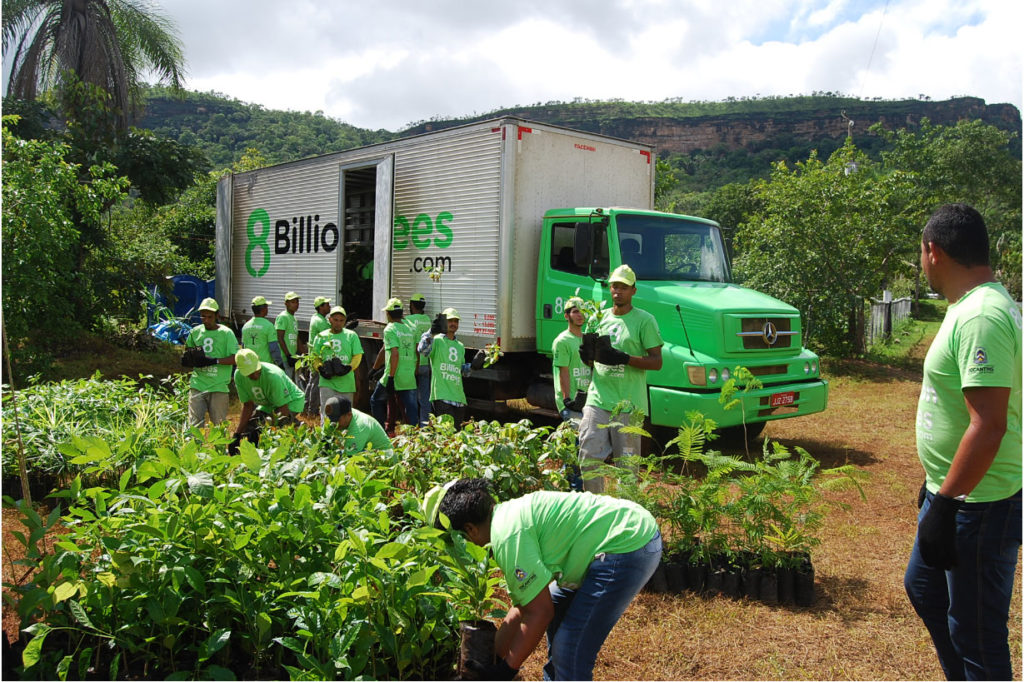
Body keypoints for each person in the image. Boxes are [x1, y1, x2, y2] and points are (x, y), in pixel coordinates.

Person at [905, 203, 1022, 681]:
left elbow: (989, 424)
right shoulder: (968, 308)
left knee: (977, 633)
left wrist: (948, 503)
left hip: (980, 503)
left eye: (920, 252)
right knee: (926, 590)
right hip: (955, 491)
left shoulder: (983, 317)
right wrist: (938, 485)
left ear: (933, 251)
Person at [429, 478, 661, 680]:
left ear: (470, 529)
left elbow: (539, 612)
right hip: (626, 530)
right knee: (556, 609)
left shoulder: (508, 537)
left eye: (459, 541)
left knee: (569, 649)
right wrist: (493, 659)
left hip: (627, 545)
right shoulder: (506, 517)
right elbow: (523, 606)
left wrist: (506, 670)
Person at [578, 264, 663, 493]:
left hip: (629, 405)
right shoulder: (597, 319)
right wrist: (587, 356)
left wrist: (625, 358)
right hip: (598, 400)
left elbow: (657, 362)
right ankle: (594, 510)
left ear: (633, 290)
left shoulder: (645, 321)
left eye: (624, 287)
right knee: (588, 457)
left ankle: (626, 516)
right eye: (615, 286)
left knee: (627, 468)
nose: (618, 291)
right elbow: (591, 363)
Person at [416, 308, 486, 426]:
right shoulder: (436, 340)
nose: (453, 324)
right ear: (444, 322)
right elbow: (422, 350)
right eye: (450, 321)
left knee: (456, 436)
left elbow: (462, 371)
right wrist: (431, 333)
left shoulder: (460, 346)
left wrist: (474, 366)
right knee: (446, 435)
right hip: (442, 396)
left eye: (456, 321)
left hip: (459, 398)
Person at [181, 298, 238, 428]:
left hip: (218, 386)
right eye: (203, 316)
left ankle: (220, 449)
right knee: (194, 426)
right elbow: (188, 351)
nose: (206, 320)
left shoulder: (226, 333)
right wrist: (191, 359)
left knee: (219, 427)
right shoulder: (195, 332)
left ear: (217, 316)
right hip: (198, 384)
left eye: (209, 317)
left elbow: (236, 358)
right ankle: (194, 448)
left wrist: (214, 361)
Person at [231, 348, 306, 440]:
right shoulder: (238, 376)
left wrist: (263, 429)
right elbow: (248, 406)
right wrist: (237, 434)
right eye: (249, 373)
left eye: (255, 370)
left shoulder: (273, 376)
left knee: (275, 428)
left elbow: (283, 409)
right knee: (249, 429)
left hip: (291, 401)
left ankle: (297, 426)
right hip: (269, 403)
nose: (254, 376)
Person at [370, 298, 419, 428]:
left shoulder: (390, 329)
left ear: (388, 314)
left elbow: (394, 354)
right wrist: (415, 371)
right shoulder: (411, 328)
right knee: (411, 410)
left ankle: (381, 432)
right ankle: (416, 439)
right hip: (409, 377)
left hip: (393, 375)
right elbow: (416, 352)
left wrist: (391, 378)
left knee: (376, 400)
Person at [312, 305, 363, 420]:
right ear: (329, 319)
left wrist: (349, 368)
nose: (338, 323)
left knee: (345, 415)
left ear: (345, 321)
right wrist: (320, 368)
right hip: (327, 382)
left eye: (341, 320)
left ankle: (344, 437)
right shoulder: (321, 336)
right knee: (327, 413)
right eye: (335, 320)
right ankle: (326, 436)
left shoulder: (352, 336)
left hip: (346, 383)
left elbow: (357, 355)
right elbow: (314, 357)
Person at [552, 296, 591, 422]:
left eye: (582, 311)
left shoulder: (587, 339)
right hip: (571, 404)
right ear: (566, 316)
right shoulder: (562, 341)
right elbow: (563, 372)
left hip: (586, 402)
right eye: (575, 311)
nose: (580, 315)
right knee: (577, 440)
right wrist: (567, 399)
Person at [323, 396, 392, 455]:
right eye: (331, 420)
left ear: (349, 415)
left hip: (384, 456)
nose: (333, 424)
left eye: (337, 420)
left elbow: (349, 458)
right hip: (365, 450)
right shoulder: (335, 419)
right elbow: (323, 442)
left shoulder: (360, 426)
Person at [406, 293, 433, 425]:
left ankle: (413, 425)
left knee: (411, 398)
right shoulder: (427, 319)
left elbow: (416, 345)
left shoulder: (409, 320)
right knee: (425, 398)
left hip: (414, 364)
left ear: (411, 305)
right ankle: (424, 425)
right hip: (426, 363)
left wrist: (415, 366)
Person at [304, 296, 333, 416]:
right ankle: (312, 410)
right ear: (321, 307)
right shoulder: (320, 322)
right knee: (316, 383)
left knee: (312, 382)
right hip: (318, 358)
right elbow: (330, 334)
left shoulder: (316, 318)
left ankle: (305, 407)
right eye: (326, 304)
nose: (329, 306)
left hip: (314, 356)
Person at [241, 296, 280, 364]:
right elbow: (273, 348)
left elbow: (243, 347)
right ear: (263, 309)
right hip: (265, 366)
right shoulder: (269, 326)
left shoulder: (245, 326)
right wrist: (279, 363)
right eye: (267, 307)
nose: (267, 309)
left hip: (250, 365)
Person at [275, 291, 303, 380]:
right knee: (285, 383)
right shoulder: (283, 317)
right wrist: (288, 355)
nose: (296, 304)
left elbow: (296, 337)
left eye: (297, 302)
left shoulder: (294, 318)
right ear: (286, 303)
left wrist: (302, 352)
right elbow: (279, 337)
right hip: (284, 358)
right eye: (293, 302)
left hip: (292, 356)